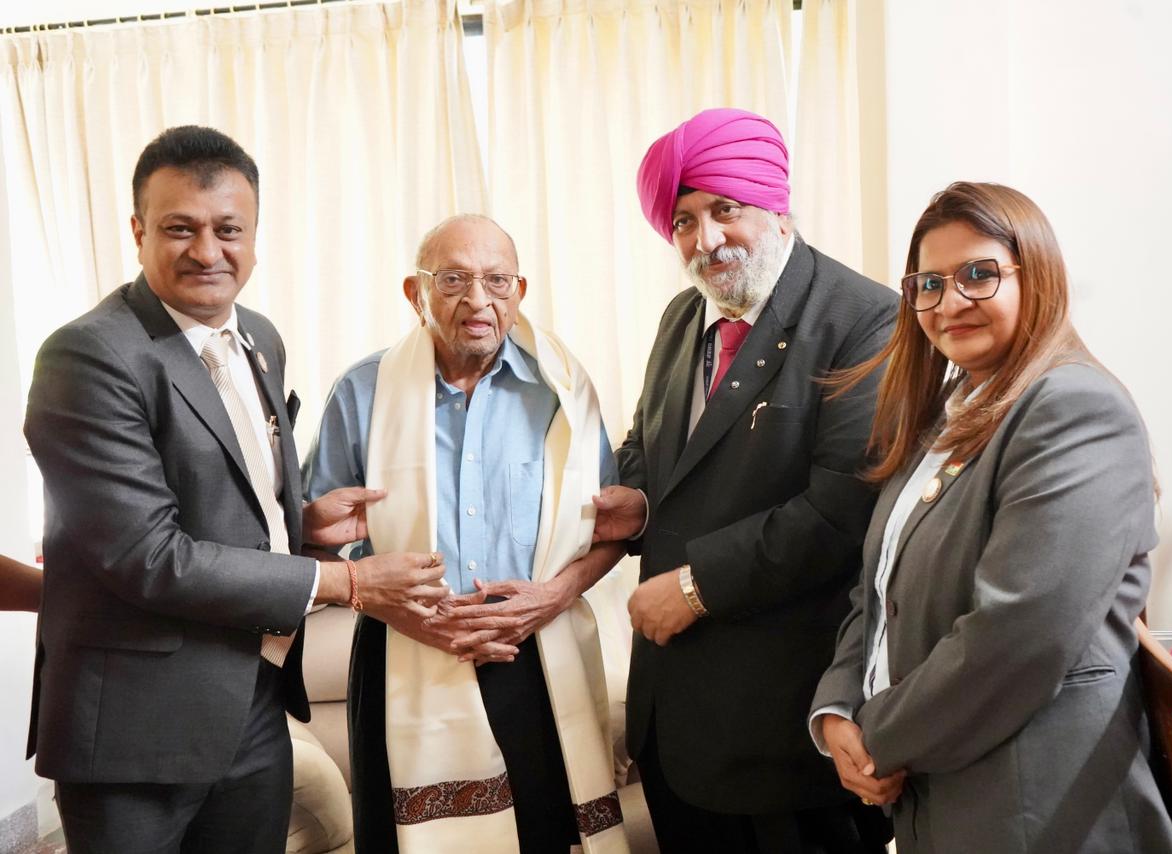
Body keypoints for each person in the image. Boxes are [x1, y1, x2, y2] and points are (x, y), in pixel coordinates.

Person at [24, 125, 446, 854]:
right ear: (138, 231)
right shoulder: (88, 356)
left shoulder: (258, 335)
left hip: (254, 703)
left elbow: (221, 494)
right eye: (179, 229)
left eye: (228, 230)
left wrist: (301, 526)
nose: (207, 251)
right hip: (133, 728)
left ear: (254, 235)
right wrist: (345, 581)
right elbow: (147, 555)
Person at [809, 181, 1172, 853]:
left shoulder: (1073, 407)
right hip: (942, 790)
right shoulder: (948, 410)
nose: (950, 302)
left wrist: (876, 735)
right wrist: (837, 709)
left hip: (1035, 807)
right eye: (928, 284)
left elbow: (1018, 637)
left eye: (978, 275)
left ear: (1035, 275)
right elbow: (877, 589)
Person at [591, 108, 896, 852]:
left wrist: (697, 587)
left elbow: (841, 511)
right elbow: (651, 443)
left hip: (785, 730)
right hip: (672, 718)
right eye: (684, 221)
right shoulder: (681, 316)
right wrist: (635, 498)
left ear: (776, 206)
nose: (705, 239)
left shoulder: (865, 320)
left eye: (724, 210)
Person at [304, 214, 630, 853]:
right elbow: (317, 546)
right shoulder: (362, 392)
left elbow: (609, 529)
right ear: (415, 292)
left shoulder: (563, 391)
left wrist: (551, 597)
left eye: (496, 280)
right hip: (400, 647)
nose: (478, 300)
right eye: (453, 279)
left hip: (532, 652)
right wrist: (391, 603)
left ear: (520, 290)